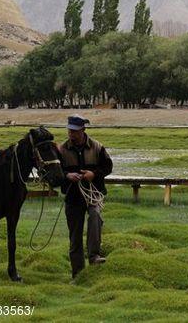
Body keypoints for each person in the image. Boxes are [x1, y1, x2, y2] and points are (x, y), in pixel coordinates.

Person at [59, 114, 113, 279]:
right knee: (75, 236)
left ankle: (94, 255)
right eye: (70, 131)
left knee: (95, 216)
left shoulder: (97, 147)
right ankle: (78, 274)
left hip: (92, 194)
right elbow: (54, 173)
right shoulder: (61, 150)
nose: (71, 135)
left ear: (83, 130)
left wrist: (93, 174)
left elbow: (108, 167)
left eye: (75, 132)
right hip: (73, 197)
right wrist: (67, 176)